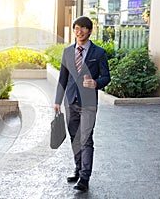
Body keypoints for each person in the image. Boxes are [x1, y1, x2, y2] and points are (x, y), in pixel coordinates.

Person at [54, 16, 111, 191]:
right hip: (70, 101)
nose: (78, 32)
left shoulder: (99, 53)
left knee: (86, 139)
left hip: (88, 103)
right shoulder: (67, 52)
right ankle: (78, 169)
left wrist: (96, 83)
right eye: (76, 28)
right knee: (75, 139)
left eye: (82, 28)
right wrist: (57, 100)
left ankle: (85, 177)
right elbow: (63, 78)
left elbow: (106, 77)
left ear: (90, 31)